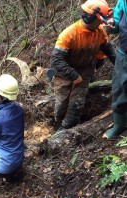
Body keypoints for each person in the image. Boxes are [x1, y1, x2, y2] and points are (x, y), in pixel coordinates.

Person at [51, 0, 116, 131]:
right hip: (65, 72)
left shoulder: (100, 32)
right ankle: (57, 125)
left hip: (85, 70)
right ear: (92, 17)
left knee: (76, 105)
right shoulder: (69, 34)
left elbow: (110, 51)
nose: (103, 22)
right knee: (61, 106)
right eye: (100, 19)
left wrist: (121, 65)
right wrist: (74, 76)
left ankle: (65, 131)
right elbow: (56, 60)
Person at [103, 0, 127, 139]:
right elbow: (117, 22)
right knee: (118, 88)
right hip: (123, 53)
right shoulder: (122, 2)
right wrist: (112, 24)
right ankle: (119, 125)